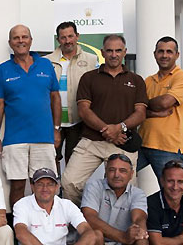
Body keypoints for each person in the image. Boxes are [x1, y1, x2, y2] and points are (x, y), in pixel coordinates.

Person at [62, 34, 149, 207]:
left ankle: (114, 227)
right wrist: (107, 130)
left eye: (118, 50)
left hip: (123, 142)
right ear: (102, 52)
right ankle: (83, 220)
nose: (114, 54)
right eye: (109, 50)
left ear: (125, 52)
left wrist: (119, 127)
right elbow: (84, 110)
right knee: (69, 182)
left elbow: (140, 113)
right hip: (92, 141)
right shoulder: (89, 78)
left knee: (124, 191)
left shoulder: (136, 80)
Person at [0, 24, 61, 209]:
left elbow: (55, 97)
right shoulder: (2, 69)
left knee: (44, 185)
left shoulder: (46, 65)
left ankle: (45, 226)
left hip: (44, 137)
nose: (20, 41)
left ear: (31, 40)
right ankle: (18, 227)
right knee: (17, 186)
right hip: (15, 139)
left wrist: (56, 129)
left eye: (24, 37)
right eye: (16, 38)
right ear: (10, 43)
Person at [13, 168, 95, 245]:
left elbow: (89, 233)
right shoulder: (22, 204)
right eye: (40, 184)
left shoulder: (66, 205)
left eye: (50, 184)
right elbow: (21, 234)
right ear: (32, 187)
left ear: (57, 187)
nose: (45, 189)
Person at [81, 153, 149, 245]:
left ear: (131, 174)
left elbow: (139, 219)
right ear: (106, 172)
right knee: (96, 236)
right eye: (112, 170)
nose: (116, 175)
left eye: (122, 171)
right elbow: (89, 217)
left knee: (140, 241)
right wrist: (122, 236)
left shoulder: (138, 193)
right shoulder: (94, 186)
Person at [137, 37, 183, 183]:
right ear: (155, 54)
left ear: (177, 55)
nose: (164, 55)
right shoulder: (148, 81)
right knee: (114, 177)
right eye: (161, 51)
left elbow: (164, 103)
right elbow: (136, 109)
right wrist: (153, 112)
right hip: (141, 143)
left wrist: (145, 106)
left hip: (169, 147)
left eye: (169, 52)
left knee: (170, 192)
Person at [45, 21, 98, 164]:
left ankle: (67, 188)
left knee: (73, 162)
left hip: (78, 121)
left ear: (77, 36)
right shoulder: (46, 62)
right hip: (52, 121)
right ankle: (55, 186)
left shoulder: (92, 60)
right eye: (63, 37)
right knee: (51, 160)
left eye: (70, 36)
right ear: (58, 39)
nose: (67, 41)